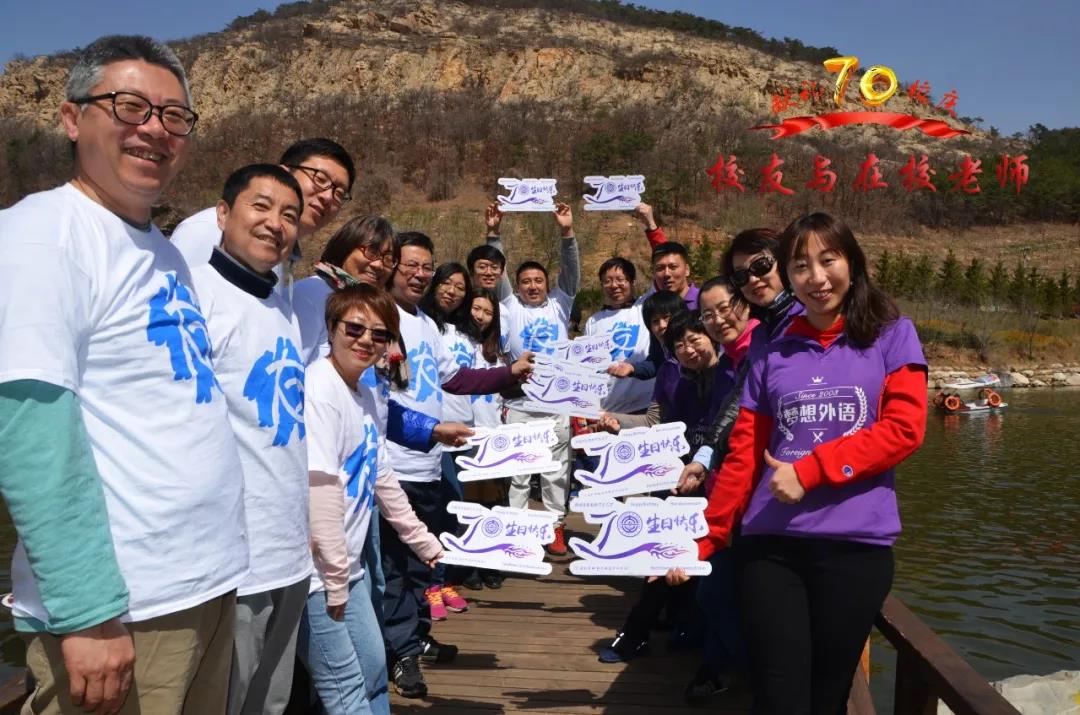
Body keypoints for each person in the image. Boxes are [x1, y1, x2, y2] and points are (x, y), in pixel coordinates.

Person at [0, 35, 246, 713]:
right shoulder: (43, 233)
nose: (155, 129)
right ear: (72, 117)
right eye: (130, 107)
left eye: (174, 116)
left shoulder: (160, 250)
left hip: (202, 587)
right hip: (125, 611)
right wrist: (86, 611)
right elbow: (31, 428)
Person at [696, 213, 928, 714]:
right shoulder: (772, 349)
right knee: (778, 695)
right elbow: (744, 454)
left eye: (828, 260)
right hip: (770, 546)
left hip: (854, 548)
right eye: (801, 266)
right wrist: (705, 539)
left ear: (852, 262)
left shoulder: (892, 335)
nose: (817, 277)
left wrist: (809, 470)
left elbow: (905, 429)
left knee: (826, 696)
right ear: (788, 274)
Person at [382, 232, 532, 698]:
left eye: (426, 266)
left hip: (428, 464)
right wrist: (429, 430)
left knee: (421, 562)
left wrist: (508, 373)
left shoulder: (426, 323)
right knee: (395, 568)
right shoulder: (377, 316)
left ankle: (416, 636)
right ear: (390, 265)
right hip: (392, 467)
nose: (420, 274)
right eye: (411, 265)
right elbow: (377, 400)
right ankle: (401, 652)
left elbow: (456, 377)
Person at [187, 164, 310, 715]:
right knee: (227, 701)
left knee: (271, 702)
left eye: (289, 215)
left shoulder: (279, 304)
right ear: (222, 213)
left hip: (289, 549)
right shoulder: (194, 295)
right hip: (236, 559)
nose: (275, 224)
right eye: (260, 206)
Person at [299, 283, 444, 715]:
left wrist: (421, 540)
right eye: (355, 328)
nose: (366, 340)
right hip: (317, 574)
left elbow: (381, 475)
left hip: (349, 565)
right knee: (345, 689)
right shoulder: (319, 387)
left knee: (374, 669)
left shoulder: (363, 393)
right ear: (331, 327)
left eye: (379, 334)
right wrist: (335, 578)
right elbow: (320, 487)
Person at [496, 203, 580, 555]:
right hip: (519, 403)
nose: (533, 286)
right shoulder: (509, 306)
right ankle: (517, 528)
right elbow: (496, 270)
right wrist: (493, 233)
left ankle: (554, 526)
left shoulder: (560, 304)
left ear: (548, 285)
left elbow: (571, 270)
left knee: (556, 470)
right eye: (526, 281)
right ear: (516, 287)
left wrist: (567, 232)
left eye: (538, 281)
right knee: (518, 471)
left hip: (556, 402)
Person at [171, 137, 355, 296]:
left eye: (339, 194)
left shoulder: (279, 250)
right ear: (284, 172)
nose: (328, 197)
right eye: (320, 179)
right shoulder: (211, 228)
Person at [417, 263, 476, 618]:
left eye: (460, 287)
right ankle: (431, 585)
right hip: (433, 433)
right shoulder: (422, 324)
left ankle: (445, 580)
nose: (452, 292)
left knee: (455, 512)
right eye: (446, 283)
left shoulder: (467, 333)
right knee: (434, 513)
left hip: (464, 434)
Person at [585, 257, 654, 415]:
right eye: (607, 281)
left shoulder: (645, 307)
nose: (614, 285)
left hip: (645, 409)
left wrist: (654, 237)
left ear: (632, 281)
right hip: (608, 411)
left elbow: (660, 270)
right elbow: (588, 367)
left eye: (620, 279)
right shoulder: (593, 321)